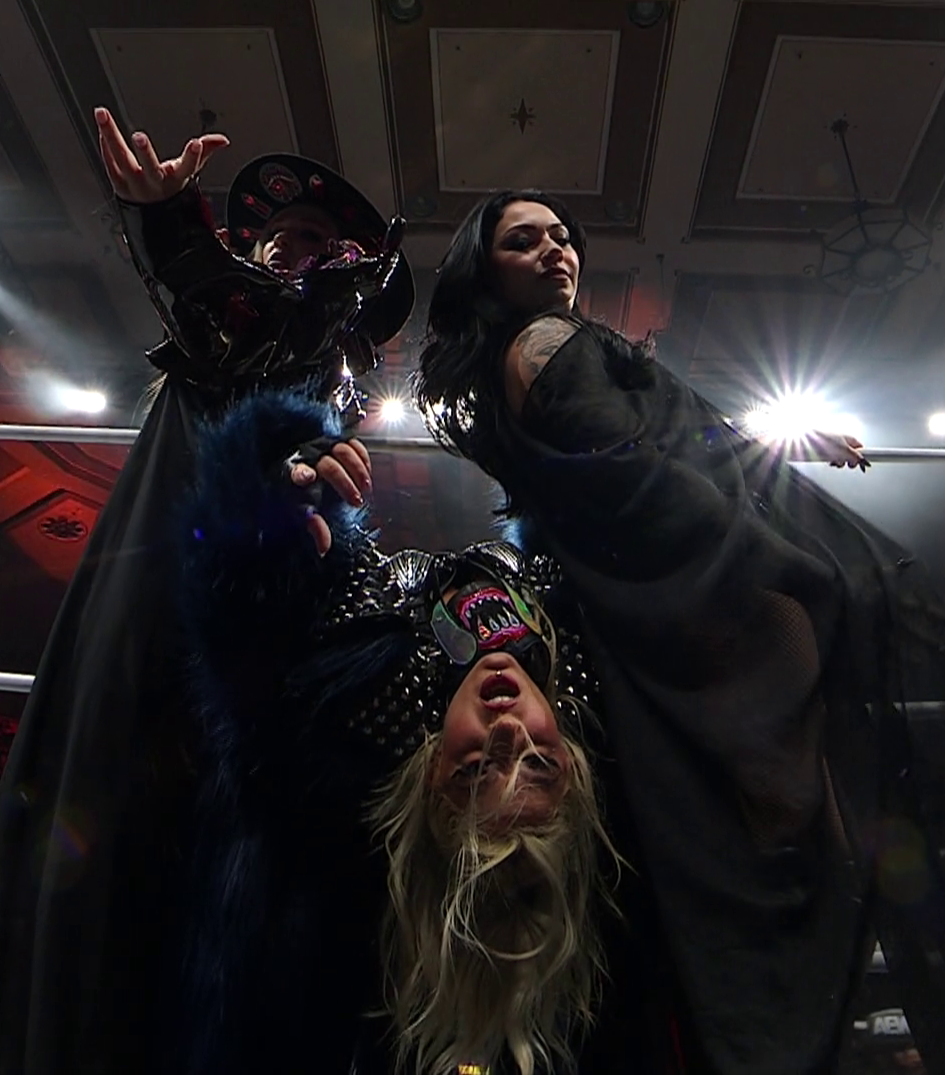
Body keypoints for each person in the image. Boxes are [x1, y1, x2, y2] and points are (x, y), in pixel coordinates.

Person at [412, 189, 945, 1072]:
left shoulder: (542, 348)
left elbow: (664, 439)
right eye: (522, 241)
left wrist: (784, 448)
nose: (553, 251)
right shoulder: (543, 342)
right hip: (698, 599)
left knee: (782, 840)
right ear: (484, 269)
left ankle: (821, 1024)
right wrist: (778, 558)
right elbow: (624, 463)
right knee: (802, 828)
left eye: (562, 237)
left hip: (674, 611)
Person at [0, 115, 412, 1075]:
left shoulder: (310, 356)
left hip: (245, 625)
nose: (290, 243)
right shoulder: (235, 333)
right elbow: (228, 315)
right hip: (160, 600)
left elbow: (268, 332)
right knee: (128, 811)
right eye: (279, 231)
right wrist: (170, 225)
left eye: (317, 238)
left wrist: (173, 228)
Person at [155, 388, 622, 1071]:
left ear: (432, 772)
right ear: (575, 762)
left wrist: (276, 501)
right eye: (537, 764)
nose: (506, 734)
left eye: (478, 771)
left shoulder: (342, 716)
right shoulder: (599, 670)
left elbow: (233, 627)